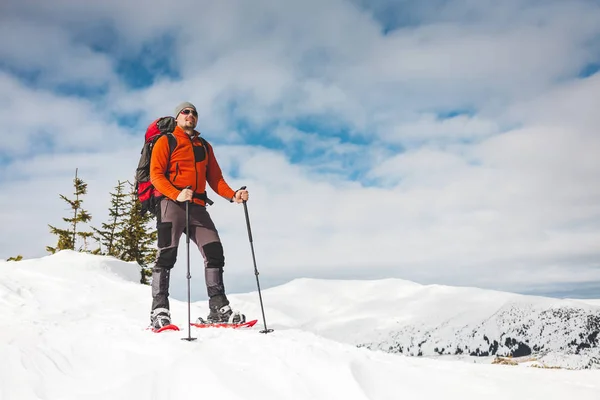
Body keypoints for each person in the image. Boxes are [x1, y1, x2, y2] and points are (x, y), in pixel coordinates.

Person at [148, 101, 248, 329]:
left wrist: (233, 195)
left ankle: (218, 308)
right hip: (171, 204)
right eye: (185, 112)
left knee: (214, 252)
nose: (190, 115)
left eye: (194, 113)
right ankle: (159, 310)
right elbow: (156, 175)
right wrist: (176, 193)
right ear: (177, 118)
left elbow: (215, 179)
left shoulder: (204, 146)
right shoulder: (166, 141)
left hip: (198, 208)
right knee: (166, 255)